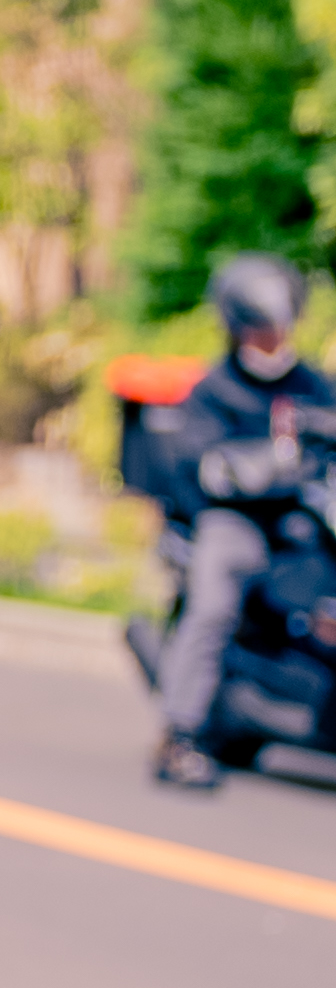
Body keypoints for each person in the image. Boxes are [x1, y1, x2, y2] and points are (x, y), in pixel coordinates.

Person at [150, 251, 332, 790]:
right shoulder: (213, 392)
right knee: (214, 602)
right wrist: (269, 462)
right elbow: (205, 466)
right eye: (261, 328)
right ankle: (178, 736)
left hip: (308, 522)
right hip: (240, 523)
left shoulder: (315, 387)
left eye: (280, 326)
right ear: (237, 327)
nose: (273, 339)